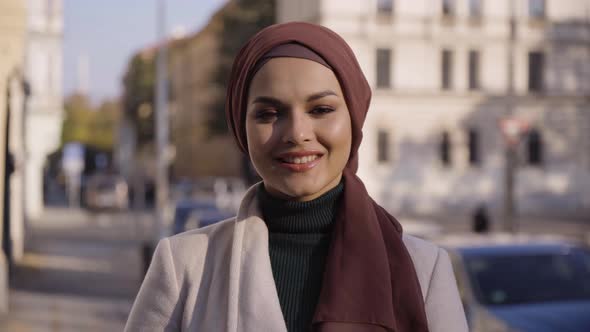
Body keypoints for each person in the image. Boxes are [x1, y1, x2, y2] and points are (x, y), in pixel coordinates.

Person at [125, 22, 468, 332]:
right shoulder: (185, 265)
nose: (297, 133)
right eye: (269, 113)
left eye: (321, 110)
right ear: (241, 128)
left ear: (354, 118)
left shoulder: (424, 269)